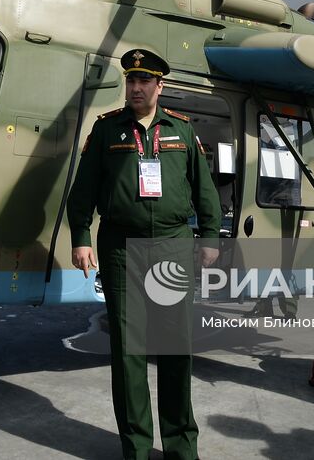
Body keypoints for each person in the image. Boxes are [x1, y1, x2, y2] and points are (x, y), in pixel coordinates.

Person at [67, 49, 222, 460]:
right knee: (128, 350)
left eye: (145, 81)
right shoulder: (107, 130)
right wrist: (81, 235)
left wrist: (209, 235)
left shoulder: (182, 130)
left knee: (174, 346)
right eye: (131, 81)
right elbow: (83, 189)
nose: (136, 88)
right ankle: (135, 447)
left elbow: (203, 189)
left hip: (172, 244)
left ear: (160, 86)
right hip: (121, 249)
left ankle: (181, 446)